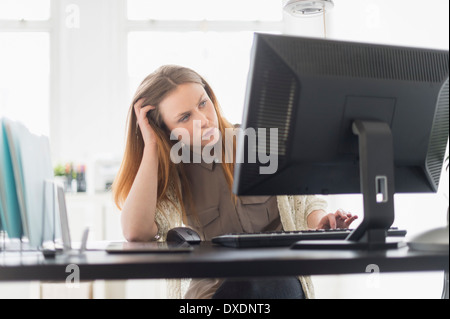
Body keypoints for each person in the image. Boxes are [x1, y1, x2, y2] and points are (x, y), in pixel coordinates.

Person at [112, 65, 358, 299]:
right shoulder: (176, 173)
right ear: (165, 131)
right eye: (185, 117)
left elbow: (304, 204)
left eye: (202, 103)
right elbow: (136, 231)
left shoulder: (258, 143)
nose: (203, 120)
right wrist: (152, 145)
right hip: (213, 289)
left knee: (253, 284)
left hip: (278, 281)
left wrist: (320, 224)